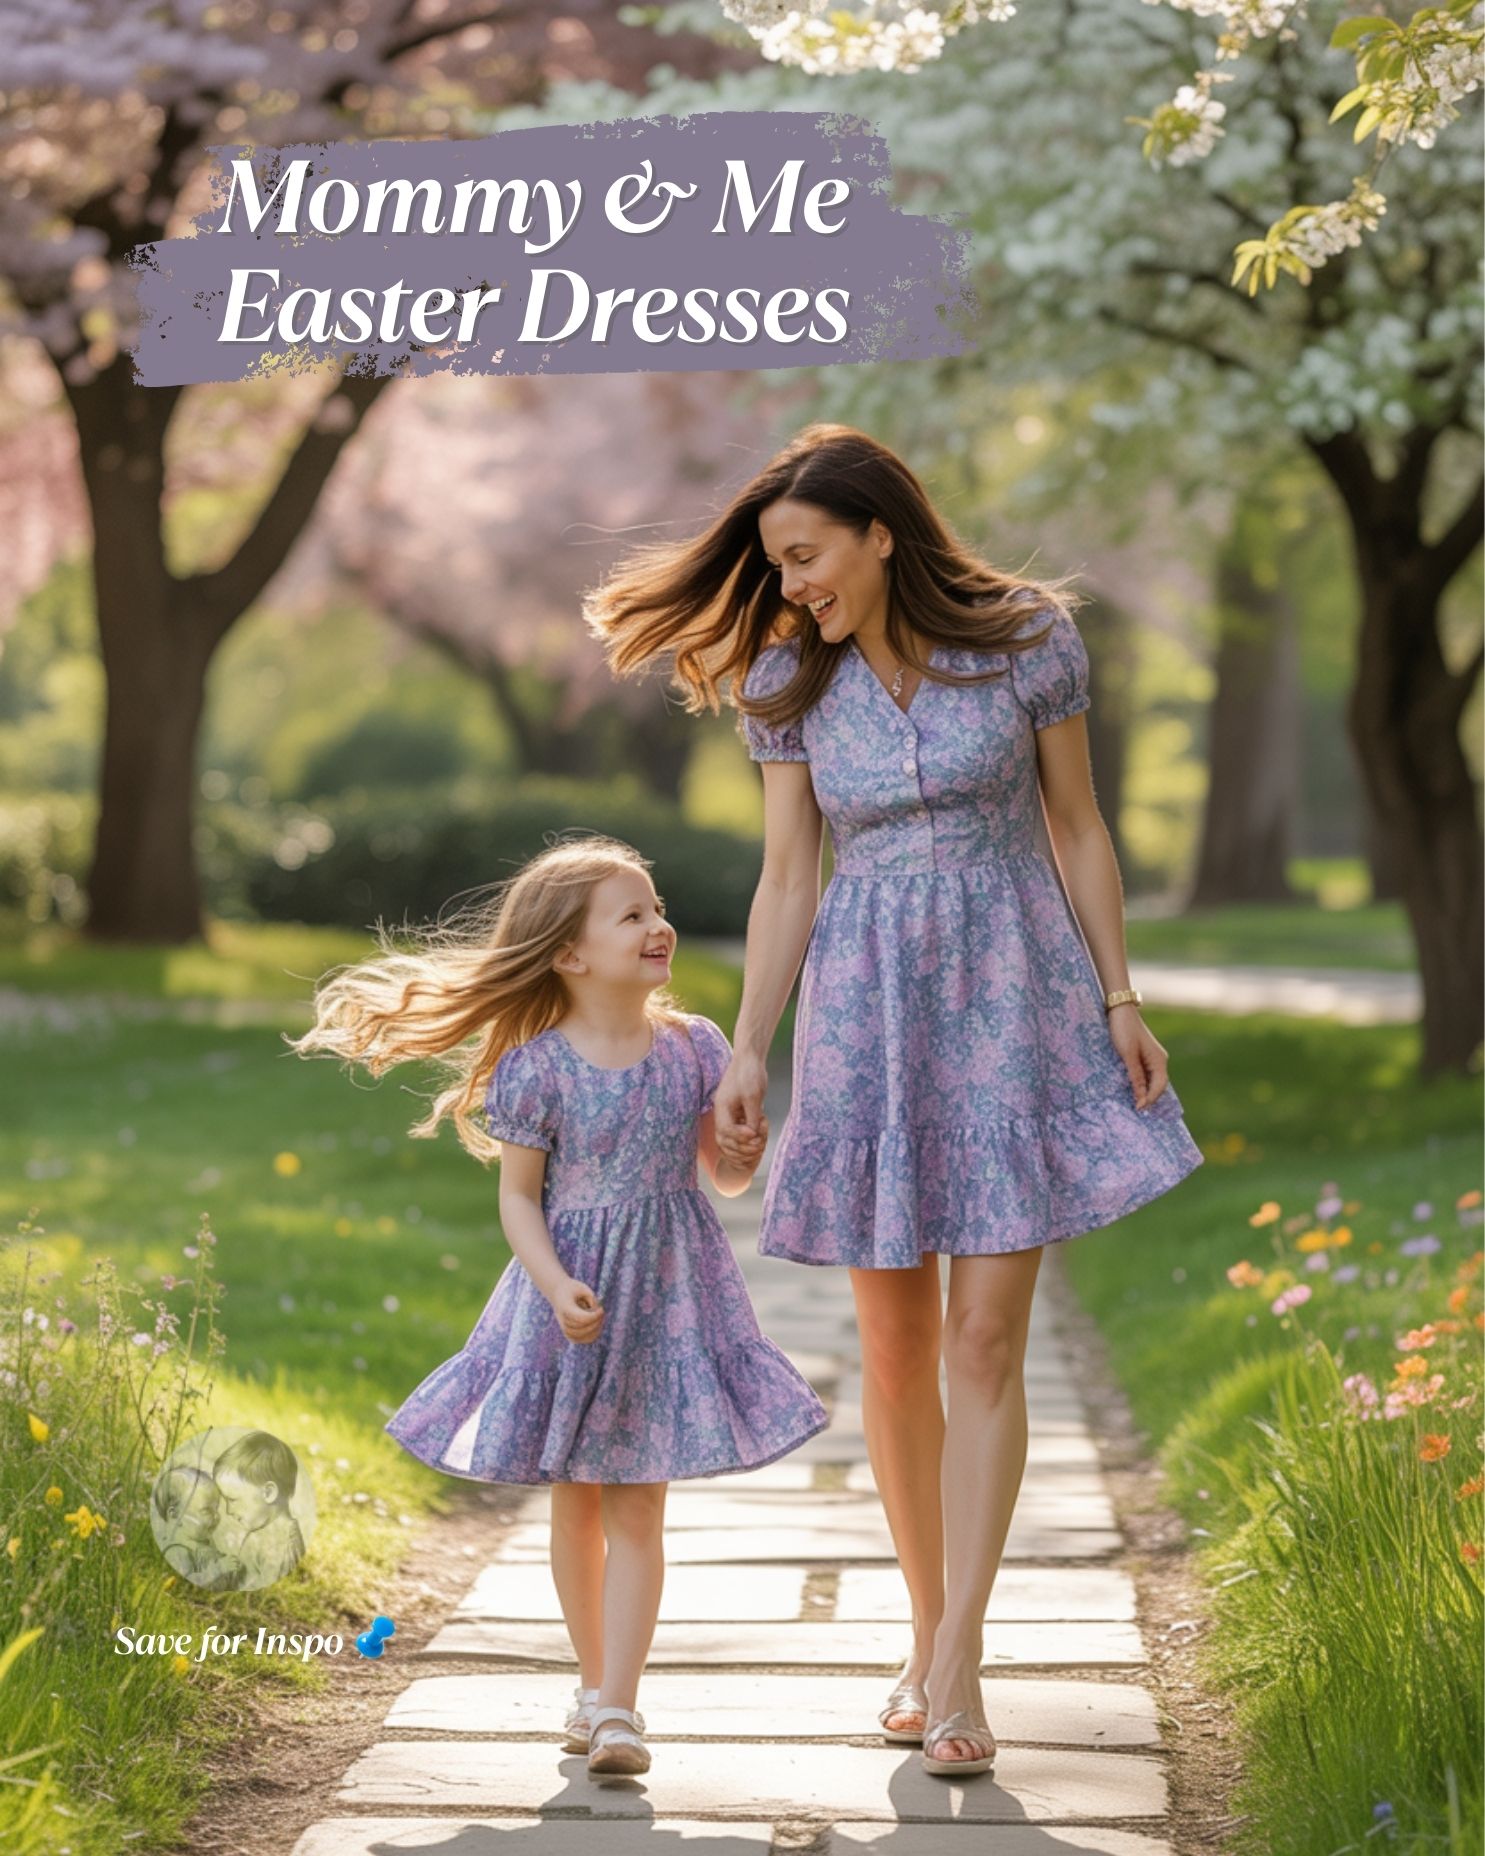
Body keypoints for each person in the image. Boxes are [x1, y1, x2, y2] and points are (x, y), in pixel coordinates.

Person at [584, 423, 1204, 1779]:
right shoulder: (785, 681)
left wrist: (1120, 995)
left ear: (878, 531)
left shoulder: (1029, 640)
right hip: (864, 1020)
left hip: (1013, 1005)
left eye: (805, 555)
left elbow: (1078, 827)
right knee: (892, 1347)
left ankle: (962, 1657)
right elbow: (789, 875)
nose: (792, 582)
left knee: (985, 1341)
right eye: (776, 565)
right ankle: (924, 1630)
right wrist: (749, 1049)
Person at [288, 836, 826, 1779]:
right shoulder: (535, 1070)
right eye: (632, 915)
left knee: (639, 1507)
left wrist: (741, 1150)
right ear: (569, 955)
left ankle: (619, 1705)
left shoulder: (693, 1047)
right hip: (570, 1296)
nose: (657, 925)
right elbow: (517, 1200)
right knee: (575, 1506)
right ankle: (591, 1685)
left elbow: (721, 1179)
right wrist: (552, 1283)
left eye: (655, 906)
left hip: (670, 1300)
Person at [212, 1431, 307, 1587]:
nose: (229, 1510)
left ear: (268, 1493)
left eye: (233, 1499)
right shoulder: (262, 1534)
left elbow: (269, 1594)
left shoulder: (282, 1547)